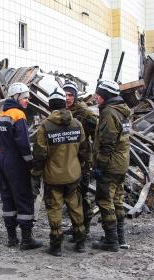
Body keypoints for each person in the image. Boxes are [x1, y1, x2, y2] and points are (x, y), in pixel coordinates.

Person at [31, 87, 88, 256]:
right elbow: (85, 150)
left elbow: (40, 154)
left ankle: (56, 247)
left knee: (54, 209)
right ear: (65, 104)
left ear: (50, 106)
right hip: (73, 176)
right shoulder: (77, 124)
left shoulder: (45, 127)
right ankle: (80, 243)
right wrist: (84, 169)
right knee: (76, 208)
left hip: (53, 178)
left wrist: (35, 174)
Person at [0, 82, 43, 250]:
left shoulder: (3, 114)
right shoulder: (18, 115)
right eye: (25, 97)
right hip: (16, 162)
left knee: (7, 198)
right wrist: (30, 162)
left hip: (3, 160)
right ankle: (26, 239)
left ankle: (11, 238)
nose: (27, 100)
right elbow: (23, 143)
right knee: (23, 197)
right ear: (16, 97)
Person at [91, 80, 131, 252]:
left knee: (105, 201)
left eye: (98, 95)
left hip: (111, 164)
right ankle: (119, 237)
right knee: (117, 200)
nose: (95, 97)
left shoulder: (109, 113)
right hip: (122, 162)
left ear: (105, 96)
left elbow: (107, 143)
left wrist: (99, 166)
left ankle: (111, 240)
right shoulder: (123, 111)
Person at [63, 80, 97, 237]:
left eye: (70, 95)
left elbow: (97, 135)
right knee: (70, 195)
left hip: (81, 160)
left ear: (75, 96)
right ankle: (75, 225)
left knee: (81, 195)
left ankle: (85, 227)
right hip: (67, 160)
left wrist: (93, 157)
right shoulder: (63, 111)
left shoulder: (84, 113)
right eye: (65, 94)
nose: (67, 98)